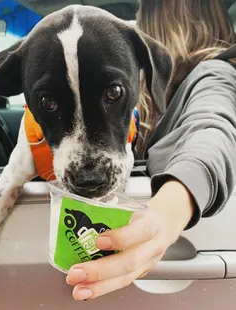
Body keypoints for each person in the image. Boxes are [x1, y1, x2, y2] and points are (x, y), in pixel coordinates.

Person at [66, 0, 236, 300]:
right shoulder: (166, 91)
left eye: (142, 18)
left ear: (163, 27)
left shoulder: (214, 75)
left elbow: (212, 130)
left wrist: (166, 214)